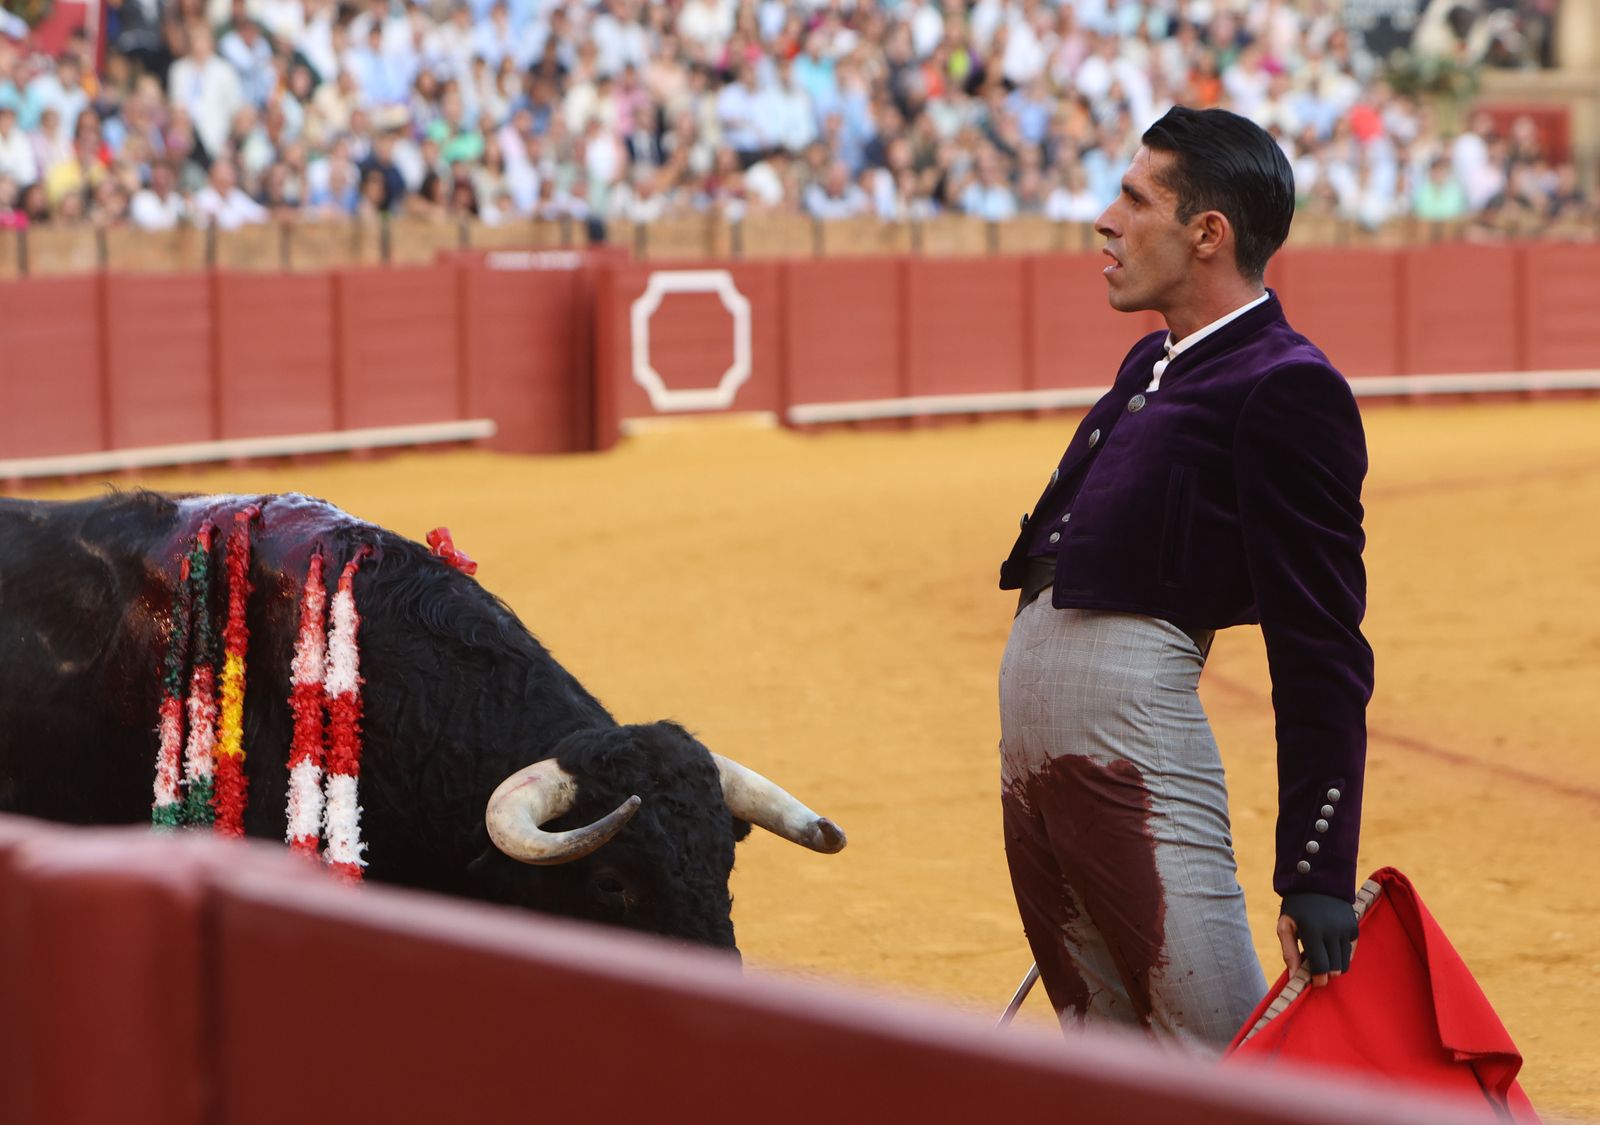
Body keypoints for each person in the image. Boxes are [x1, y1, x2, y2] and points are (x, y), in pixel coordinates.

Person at [996, 105, 1373, 1049]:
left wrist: (1318, 867)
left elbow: (1320, 639)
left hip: (1134, 736)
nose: (1106, 220)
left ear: (1209, 233)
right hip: (1038, 757)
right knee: (1106, 1056)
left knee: (1217, 1053)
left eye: (1135, 198)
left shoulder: (1287, 384)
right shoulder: (1151, 363)